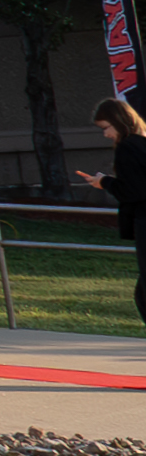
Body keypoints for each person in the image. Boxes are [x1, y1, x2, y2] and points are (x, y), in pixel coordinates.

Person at [76, 98, 146, 331]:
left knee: (143, 294)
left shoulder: (127, 148)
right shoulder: (142, 143)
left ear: (119, 122)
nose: (106, 134)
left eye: (106, 127)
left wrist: (104, 182)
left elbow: (133, 190)